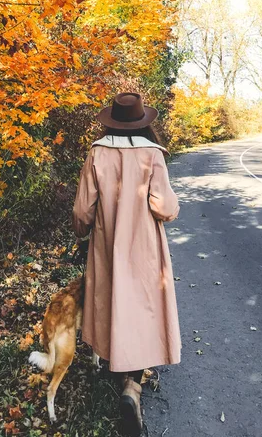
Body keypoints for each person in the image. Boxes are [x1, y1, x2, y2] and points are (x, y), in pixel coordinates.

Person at [72, 92, 181, 437]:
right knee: (143, 306)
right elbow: (165, 208)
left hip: (107, 244)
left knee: (113, 300)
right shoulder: (152, 154)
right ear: (142, 121)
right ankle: (132, 384)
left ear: (112, 121)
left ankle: (122, 374)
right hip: (145, 245)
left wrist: (83, 231)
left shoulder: (96, 153)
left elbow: (81, 213)